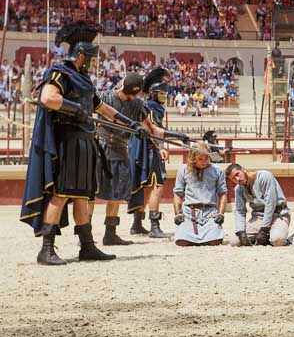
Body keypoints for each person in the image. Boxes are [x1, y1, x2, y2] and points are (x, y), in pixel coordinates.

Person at [20, 21, 146, 265]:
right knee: (60, 193)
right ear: (80, 56)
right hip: (68, 142)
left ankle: (87, 246)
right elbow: (48, 97)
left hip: (86, 142)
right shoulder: (60, 73)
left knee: (81, 196)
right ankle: (46, 248)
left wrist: (132, 124)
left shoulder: (84, 80)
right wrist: (74, 108)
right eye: (90, 58)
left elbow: (102, 107)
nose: (93, 62)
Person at [129, 67, 190, 238]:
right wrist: (162, 147)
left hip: (144, 148)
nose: (164, 96)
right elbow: (154, 130)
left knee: (147, 187)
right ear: (153, 93)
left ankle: (137, 223)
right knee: (157, 185)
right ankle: (154, 226)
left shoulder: (149, 106)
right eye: (161, 93)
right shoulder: (151, 107)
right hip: (150, 149)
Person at [92, 72, 148, 246]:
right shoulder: (104, 97)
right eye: (128, 93)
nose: (130, 98)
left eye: (134, 94)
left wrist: (172, 136)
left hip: (120, 149)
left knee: (116, 194)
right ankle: (85, 235)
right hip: (100, 147)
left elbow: (150, 127)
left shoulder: (138, 104)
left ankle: (110, 234)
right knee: (90, 194)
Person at [172, 143, 227, 246]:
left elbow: (222, 193)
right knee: (182, 242)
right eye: (200, 159)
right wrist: (178, 213)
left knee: (214, 241)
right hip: (190, 212)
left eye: (206, 158)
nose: (204, 161)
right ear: (193, 158)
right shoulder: (183, 170)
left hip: (210, 212)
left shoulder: (217, 170)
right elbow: (178, 193)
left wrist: (220, 213)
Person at [226, 163, 290, 246]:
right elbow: (239, 211)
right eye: (233, 179)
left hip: (278, 214)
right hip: (259, 217)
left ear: (243, 169)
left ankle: (269, 235)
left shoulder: (264, 176)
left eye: (237, 174)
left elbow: (270, 203)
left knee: (277, 240)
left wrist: (264, 229)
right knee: (235, 242)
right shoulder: (238, 189)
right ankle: (265, 236)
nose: (237, 179)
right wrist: (241, 232)